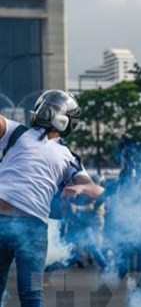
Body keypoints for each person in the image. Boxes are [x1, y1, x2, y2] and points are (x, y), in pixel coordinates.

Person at [0, 89, 104, 307]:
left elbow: (97, 191)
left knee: (31, 294)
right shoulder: (16, 132)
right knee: (31, 294)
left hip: (32, 228)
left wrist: (79, 189)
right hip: (16, 224)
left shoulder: (70, 157)